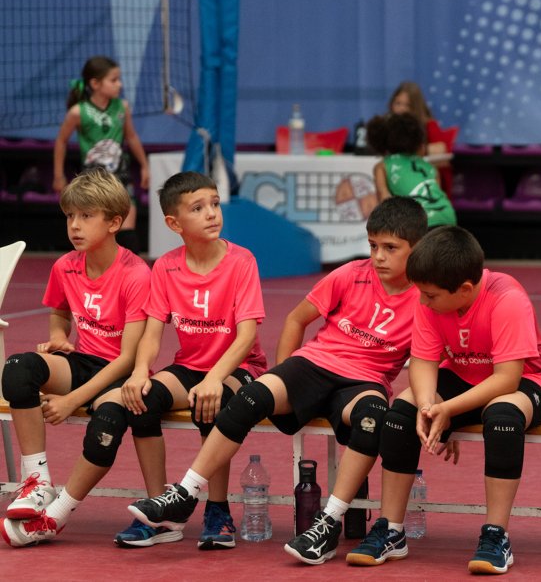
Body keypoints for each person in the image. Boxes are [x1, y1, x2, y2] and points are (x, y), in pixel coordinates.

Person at [127, 196, 429, 565]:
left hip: (364, 382)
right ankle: (186, 493)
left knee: (371, 421)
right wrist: (285, 373)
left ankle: (328, 523)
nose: (378, 256)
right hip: (312, 365)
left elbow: (429, 362)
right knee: (249, 397)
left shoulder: (426, 299)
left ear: (416, 249)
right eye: (373, 246)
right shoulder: (351, 274)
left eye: (390, 248)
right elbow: (296, 320)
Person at [369, 226, 541, 574]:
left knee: (502, 417)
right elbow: (424, 362)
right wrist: (430, 407)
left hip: (525, 382)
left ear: (466, 289)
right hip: (461, 375)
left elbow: (507, 378)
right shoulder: (430, 295)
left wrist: (449, 409)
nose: (423, 302)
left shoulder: (507, 298)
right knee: (401, 414)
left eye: (430, 296)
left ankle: (496, 535)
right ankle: (391, 529)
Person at [94, 170, 266, 549]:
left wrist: (214, 378)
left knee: (216, 401)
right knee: (139, 400)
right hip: (190, 364)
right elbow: (152, 333)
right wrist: (139, 372)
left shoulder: (241, 261)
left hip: (239, 366)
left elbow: (247, 337)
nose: (212, 214)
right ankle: (162, 512)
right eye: (198, 208)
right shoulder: (167, 266)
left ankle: (218, 511)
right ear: (174, 223)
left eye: (215, 204)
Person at [2, 168, 151, 546]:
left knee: (108, 418)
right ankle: (37, 483)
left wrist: (71, 401)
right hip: (82, 361)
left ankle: (58, 513)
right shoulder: (65, 265)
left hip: (122, 373)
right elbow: (59, 311)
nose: (75, 225)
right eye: (70, 216)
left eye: (87, 216)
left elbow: (128, 358)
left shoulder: (136, 273)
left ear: (115, 222)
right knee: (18, 369)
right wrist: (57, 338)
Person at [52, 55, 151, 250]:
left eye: (119, 79)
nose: (119, 85)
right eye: (114, 80)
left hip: (120, 177)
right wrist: (58, 175)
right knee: (96, 236)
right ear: (95, 83)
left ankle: (132, 278)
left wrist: (145, 166)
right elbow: (61, 141)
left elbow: (131, 137)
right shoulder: (78, 112)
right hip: (94, 181)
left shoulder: (122, 107)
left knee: (127, 235)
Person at [367, 112, 457, 227]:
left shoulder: (383, 165)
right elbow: (435, 193)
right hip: (447, 216)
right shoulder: (430, 167)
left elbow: (384, 199)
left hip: (419, 222)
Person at [389, 80, 454, 191]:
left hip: (422, 179)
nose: (401, 109)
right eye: (398, 103)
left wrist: (411, 150)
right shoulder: (388, 124)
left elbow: (441, 149)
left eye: (407, 105)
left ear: (416, 107)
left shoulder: (428, 124)